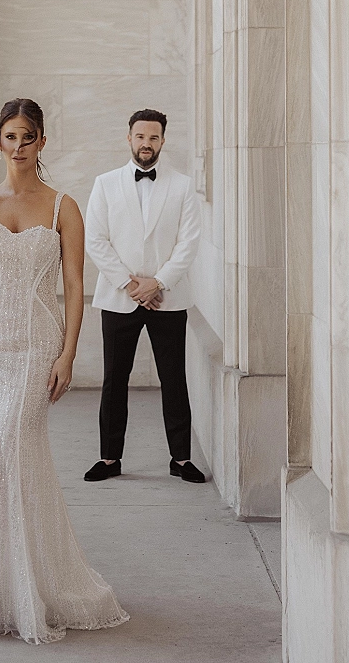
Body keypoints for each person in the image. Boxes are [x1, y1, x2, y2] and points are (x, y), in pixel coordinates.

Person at [0, 98, 129, 644]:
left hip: (37, 343)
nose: (17, 147)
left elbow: (77, 284)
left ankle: (31, 581)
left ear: (41, 142)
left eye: (26, 138)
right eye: (8, 137)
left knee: (5, 451)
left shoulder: (63, 207)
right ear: (1, 141)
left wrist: (68, 352)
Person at [84, 109, 204, 484]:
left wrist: (159, 282)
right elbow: (96, 239)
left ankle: (181, 459)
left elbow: (189, 242)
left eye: (153, 137)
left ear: (163, 141)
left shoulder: (183, 186)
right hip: (120, 297)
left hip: (167, 298)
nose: (146, 144)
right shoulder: (105, 184)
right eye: (140, 137)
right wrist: (131, 285)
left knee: (174, 378)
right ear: (129, 138)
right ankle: (108, 459)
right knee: (114, 379)